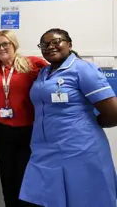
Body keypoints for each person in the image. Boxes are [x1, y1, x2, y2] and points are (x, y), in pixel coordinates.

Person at [19, 28, 117, 207]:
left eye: (56, 42)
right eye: (45, 44)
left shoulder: (83, 69)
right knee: (46, 200)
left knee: (84, 200)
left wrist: (86, 126)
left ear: (69, 44)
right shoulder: (44, 73)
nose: (50, 47)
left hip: (80, 150)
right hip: (44, 151)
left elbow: (113, 114)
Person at [0, 30, 48, 207]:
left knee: (26, 177)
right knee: (7, 177)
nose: (1, 48)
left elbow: (57, 72)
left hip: (28, 130)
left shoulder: (32, 63)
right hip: (2, 130)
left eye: (5, 43)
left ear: (14, 45)